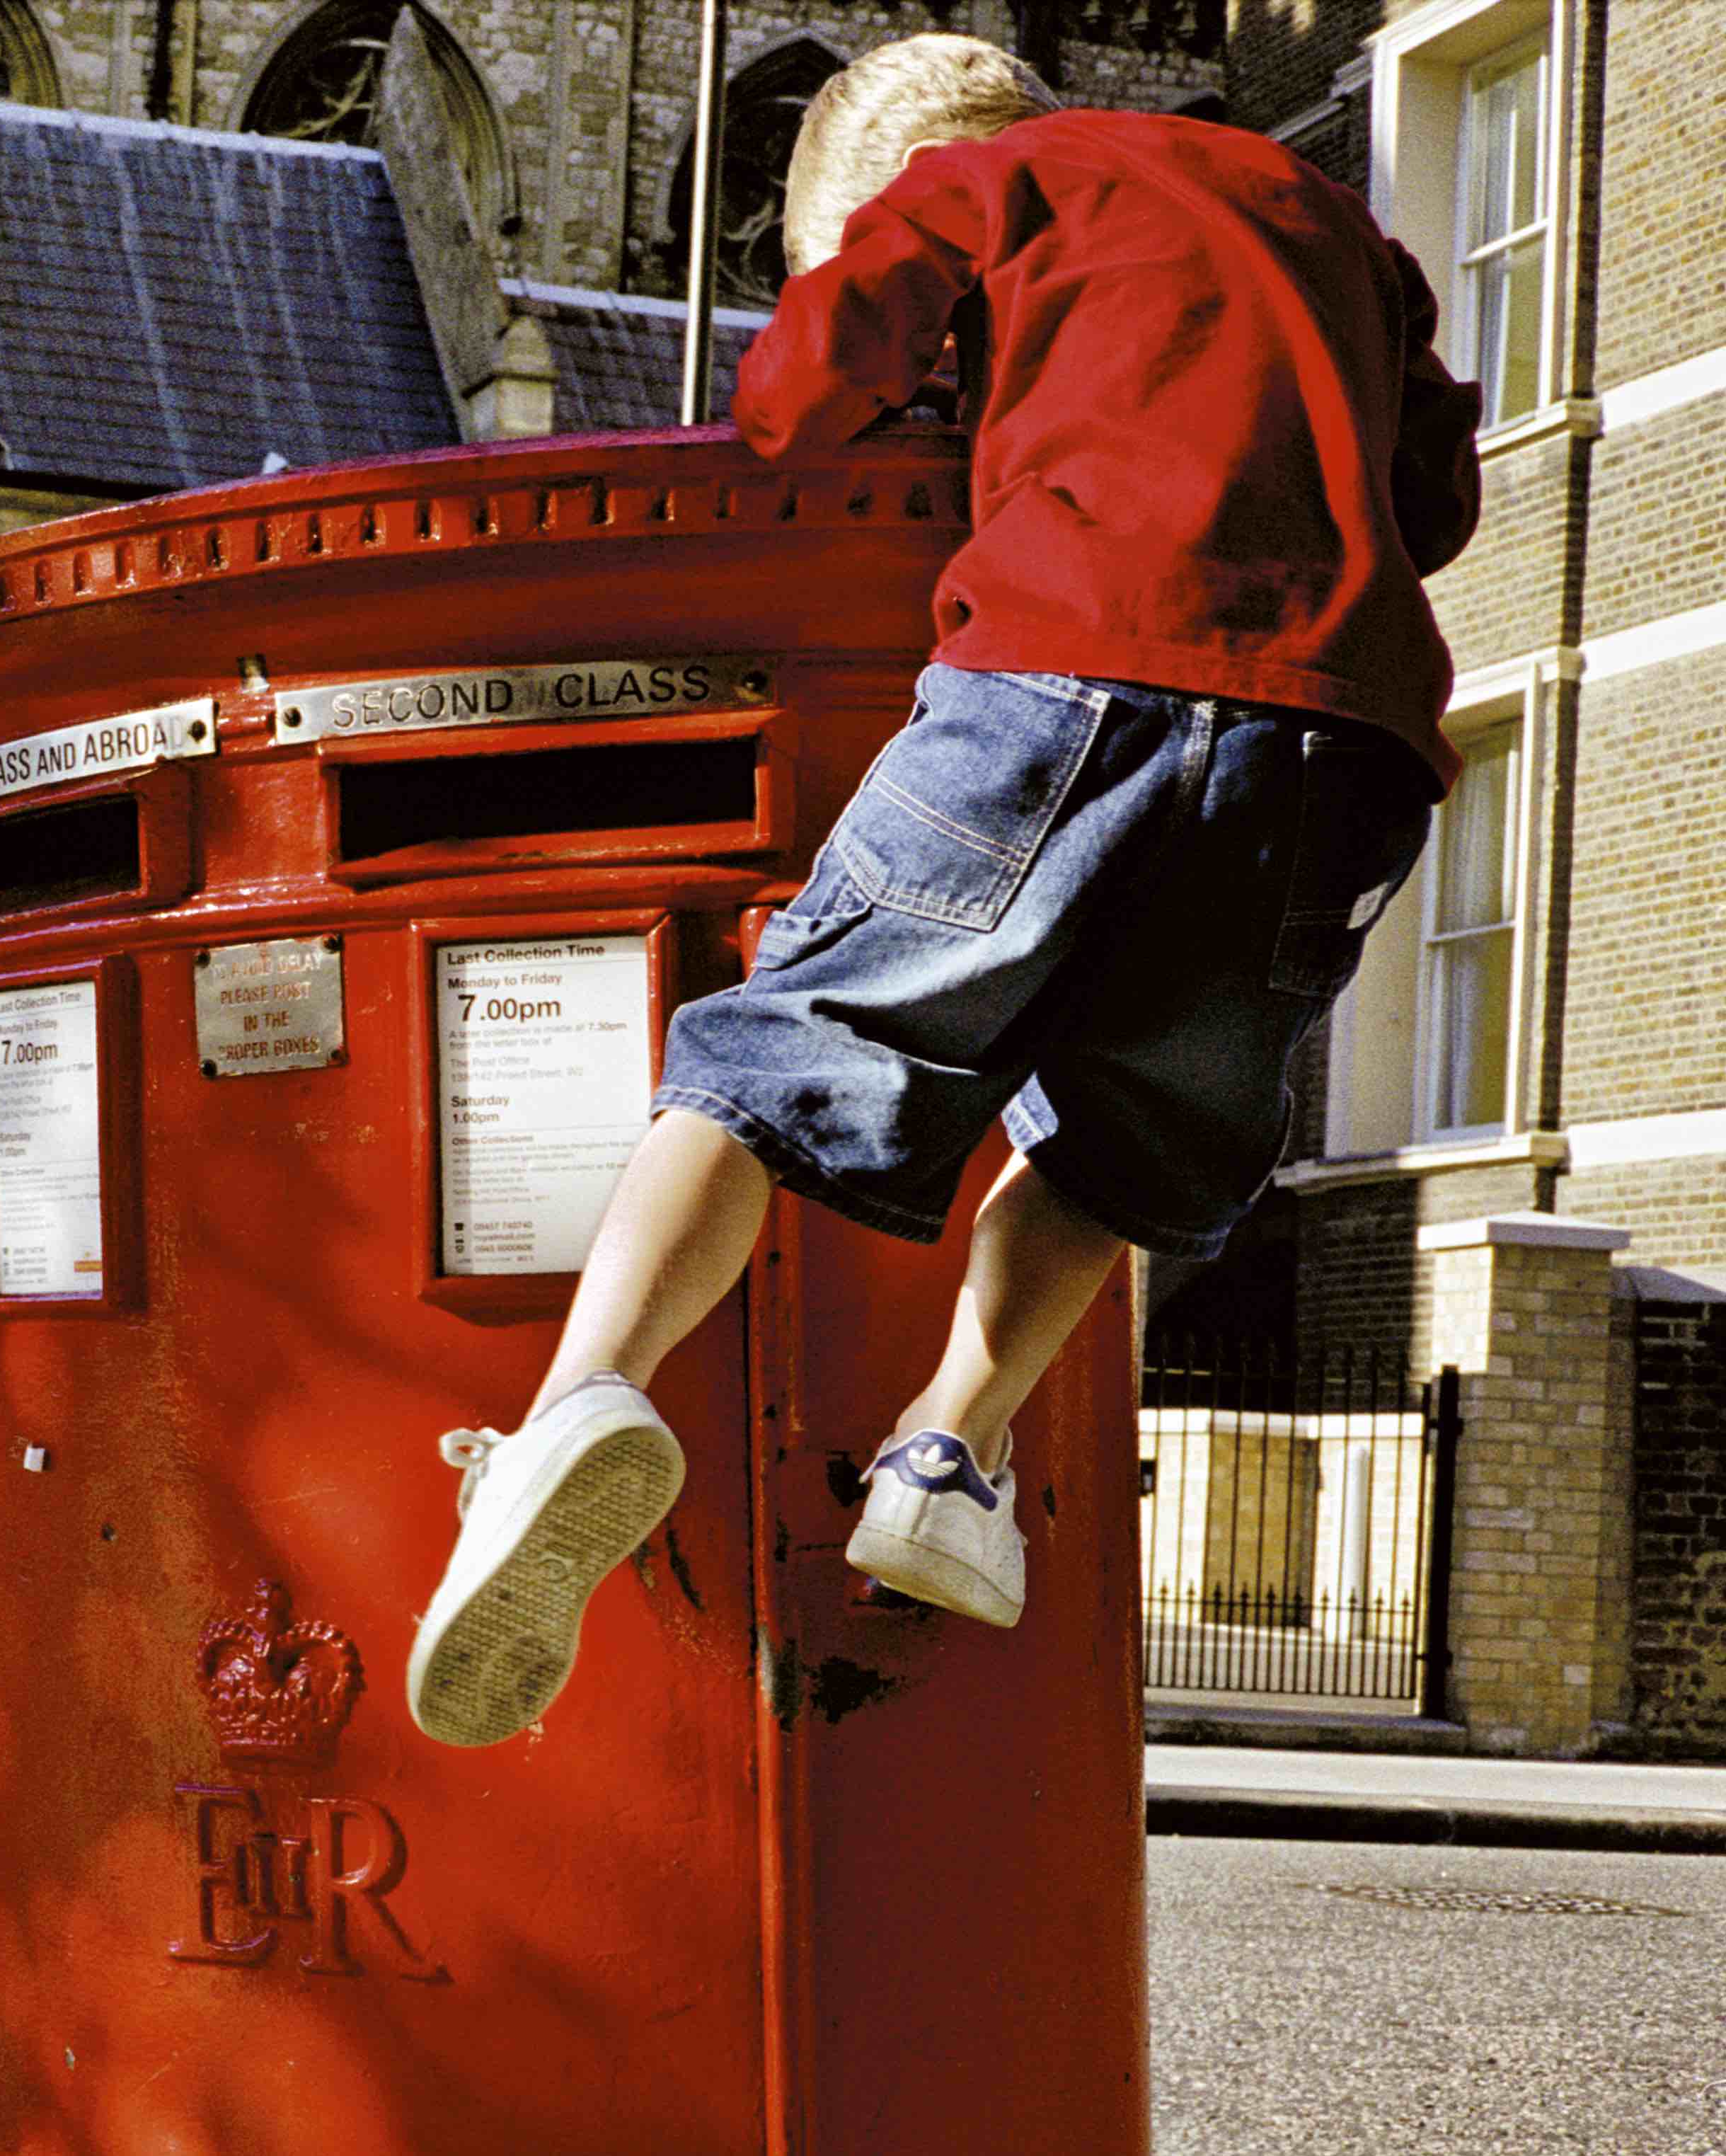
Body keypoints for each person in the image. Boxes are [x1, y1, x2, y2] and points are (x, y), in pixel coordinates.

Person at [405, 33, 1486, 1748]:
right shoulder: (1325, 213)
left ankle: (571, 1403)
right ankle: (947, 1451)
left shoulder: (985, 180)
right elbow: (1436, 495)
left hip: (1068, 673)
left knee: (775, 1055)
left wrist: (835, 395)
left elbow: (806, 389)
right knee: (1132, 1146)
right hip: (1345, 746)